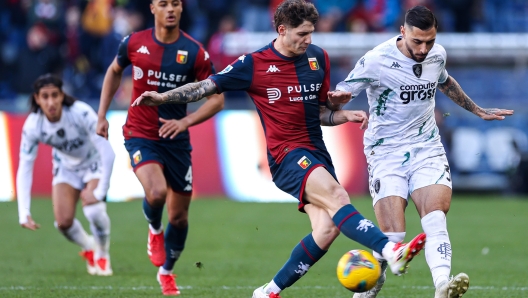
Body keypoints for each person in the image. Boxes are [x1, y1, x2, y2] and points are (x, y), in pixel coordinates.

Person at [131, 1, 427, 297]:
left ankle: (268, 292)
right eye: (301, 34)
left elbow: (319, 113)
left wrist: (343, 115)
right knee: (338, 196)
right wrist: (162, 98)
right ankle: (391, 250)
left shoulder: (317, 58)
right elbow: (205, 87)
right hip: (285, 156)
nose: (308, 40)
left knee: (326, 229)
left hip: (316, 153)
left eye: (311, 33)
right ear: (282, 30)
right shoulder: (253, 64)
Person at [335, 6, 514, 298]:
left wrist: (478, 110)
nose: (423, 48)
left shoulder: (436, 54)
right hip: (386, 152)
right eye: (417, 41)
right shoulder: (377, 60)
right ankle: (367, 289)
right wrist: (338, 100)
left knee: (435, 217)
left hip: (426, 147)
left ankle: (442, 284)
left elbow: (444, 81)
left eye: (429, 41)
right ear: (403, 32)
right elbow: (343, 91)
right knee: (393, 237)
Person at [96, 0, 225, 295]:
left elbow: (217, 99)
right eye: (164, 3)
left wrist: (186, 122)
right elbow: (114, 71)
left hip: (175, 138)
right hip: (140, 132)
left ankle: (166, 272)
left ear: (181, 9)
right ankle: (154, 230)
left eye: (176, 3)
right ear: (152, 7)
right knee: (156, 193)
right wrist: (102, 115)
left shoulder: (195, 52)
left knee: (179, 216)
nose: (170, 9)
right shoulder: (133, 43)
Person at [17, 74, 115, 276]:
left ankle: (103, 253)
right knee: (63, 223)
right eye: (45, 96)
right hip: (66, 168)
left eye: (55, 95)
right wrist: (23, 211)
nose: (51, 102)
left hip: (92, 162)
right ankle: (89, 246)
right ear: (37, 98)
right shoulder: (33, 125)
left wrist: (100, 191)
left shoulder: (80, 112)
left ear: (62, 95)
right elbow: (25, 167)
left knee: (94, 211)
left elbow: (108, 152)